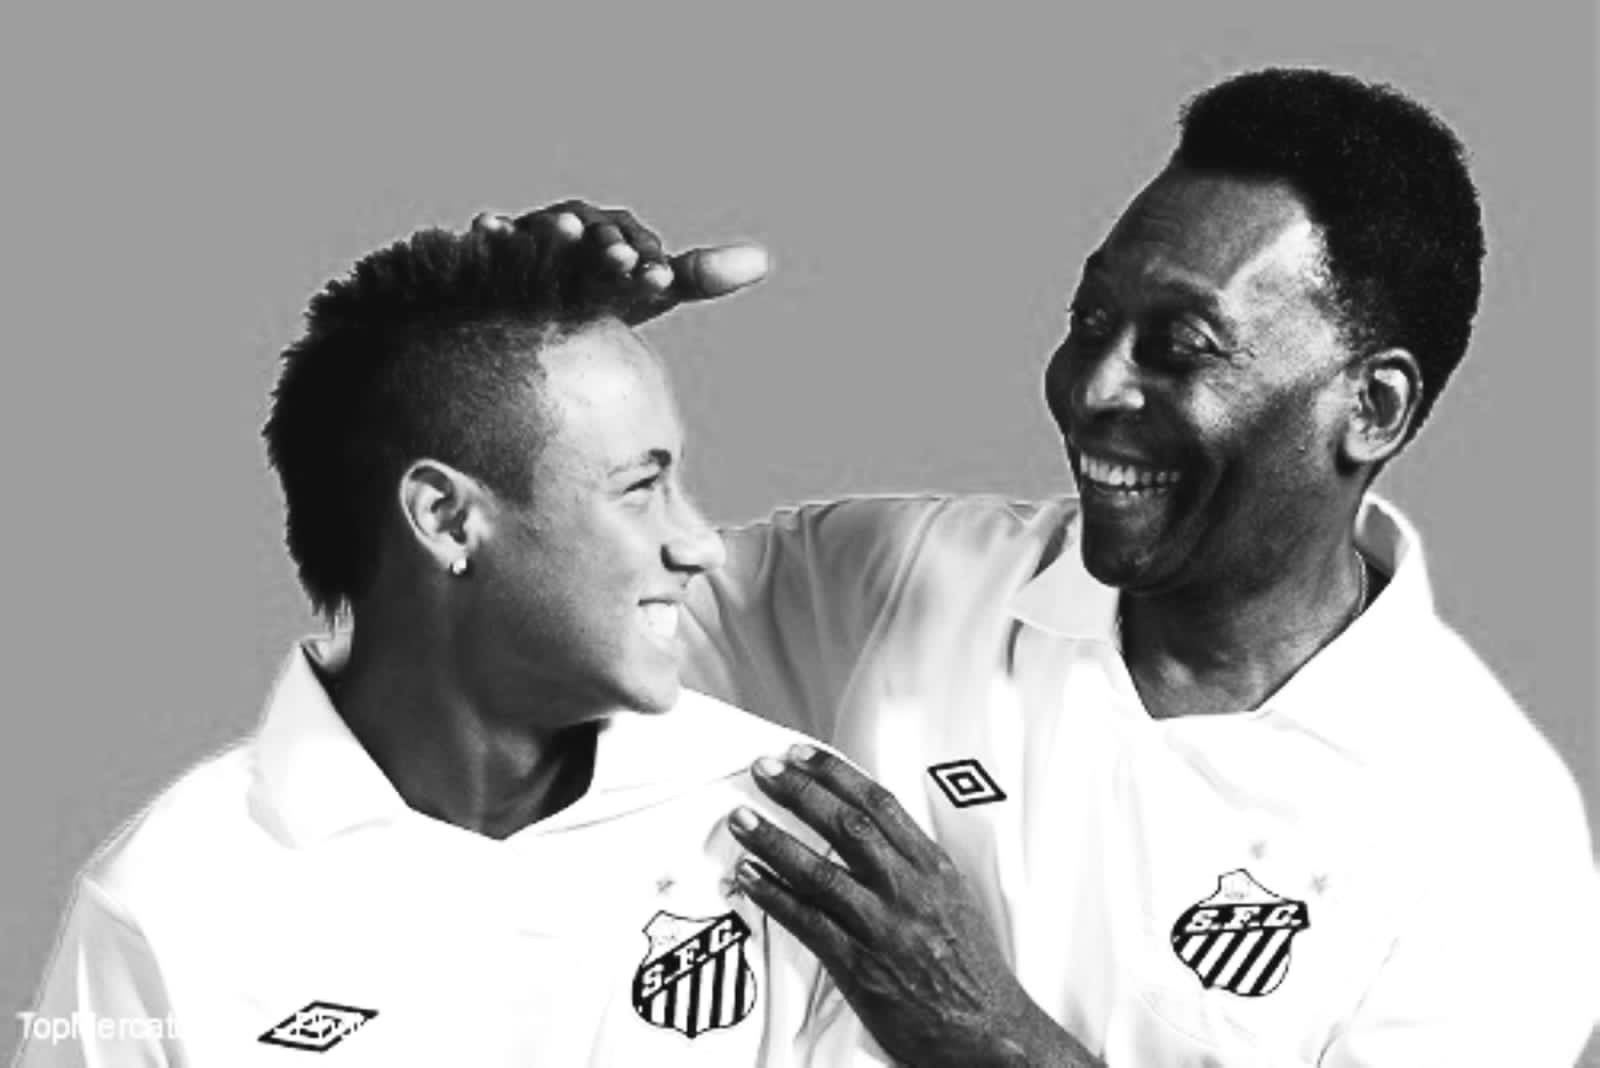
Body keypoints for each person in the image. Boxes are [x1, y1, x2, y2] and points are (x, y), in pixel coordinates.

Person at [481, 67, 1599, 1065]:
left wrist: (983, 1035)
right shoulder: (898, 576)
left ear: (1373, 407)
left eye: (1180, 347)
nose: (1094, 386)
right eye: (1090, 315)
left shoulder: (1492, 837)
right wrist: (517, 353)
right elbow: (507, 633)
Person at [16, 226, 853, 1066]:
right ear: (447, 519)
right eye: (641, 488)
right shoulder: (160, 906)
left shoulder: (800, 831)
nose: (701, 544)